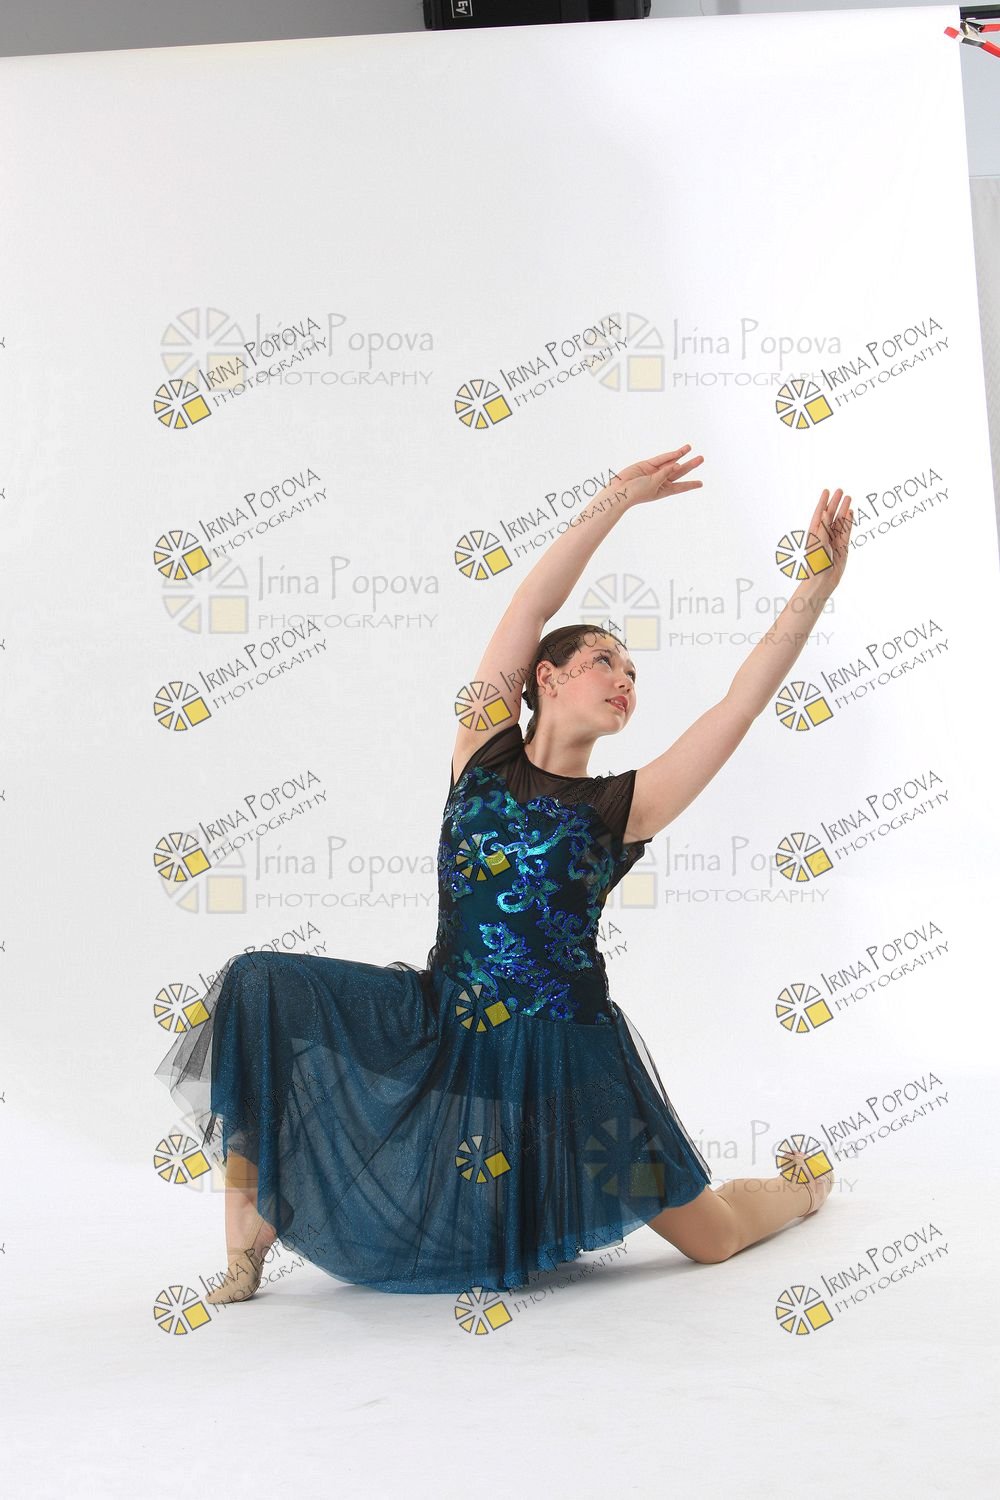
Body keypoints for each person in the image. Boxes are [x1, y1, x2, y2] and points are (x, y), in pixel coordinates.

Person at [156, 443, 852, 1303]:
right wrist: (617, 499)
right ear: (546, 678)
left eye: (634, 674)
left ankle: (803, 1188)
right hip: (447, 1022)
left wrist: (814, 588)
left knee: (712, 1239)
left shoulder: (624, 805)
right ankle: (245, 1246)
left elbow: (740, 704)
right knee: (259, 986)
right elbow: (532, 602)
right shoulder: (480, 750)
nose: (625, 680)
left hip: (567, 1054)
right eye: (605, 662)